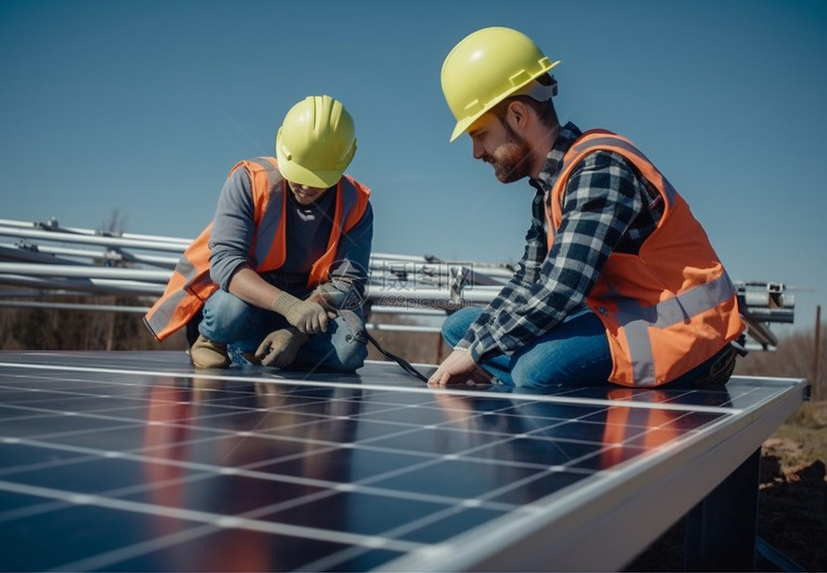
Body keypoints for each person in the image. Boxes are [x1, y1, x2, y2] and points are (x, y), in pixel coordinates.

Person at [429, 27, 744, 389]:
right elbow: (528, 280)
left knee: (534, 370)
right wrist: (473, 346)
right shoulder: (551, 187)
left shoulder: (599, 169)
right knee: (460, 329)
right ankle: (531, 381)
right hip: (621, 317)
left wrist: (480, 350)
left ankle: (542, 389)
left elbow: (560, 288)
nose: (476, 153)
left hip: (686, 332)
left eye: (480, 134)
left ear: (518, 116)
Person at [144, 95, 373, 372]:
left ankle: (271, 350)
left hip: (310, 307)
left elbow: (347, 283)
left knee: (350, 345)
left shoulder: (356, 205)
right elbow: (227, 264)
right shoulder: (249, 181)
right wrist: (288, 306)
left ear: (345, 160)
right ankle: (214, 341)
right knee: (228, 310)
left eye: (316, 179)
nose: (304, 186)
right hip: (250, 298)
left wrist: (296, 333)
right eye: (298, 173)